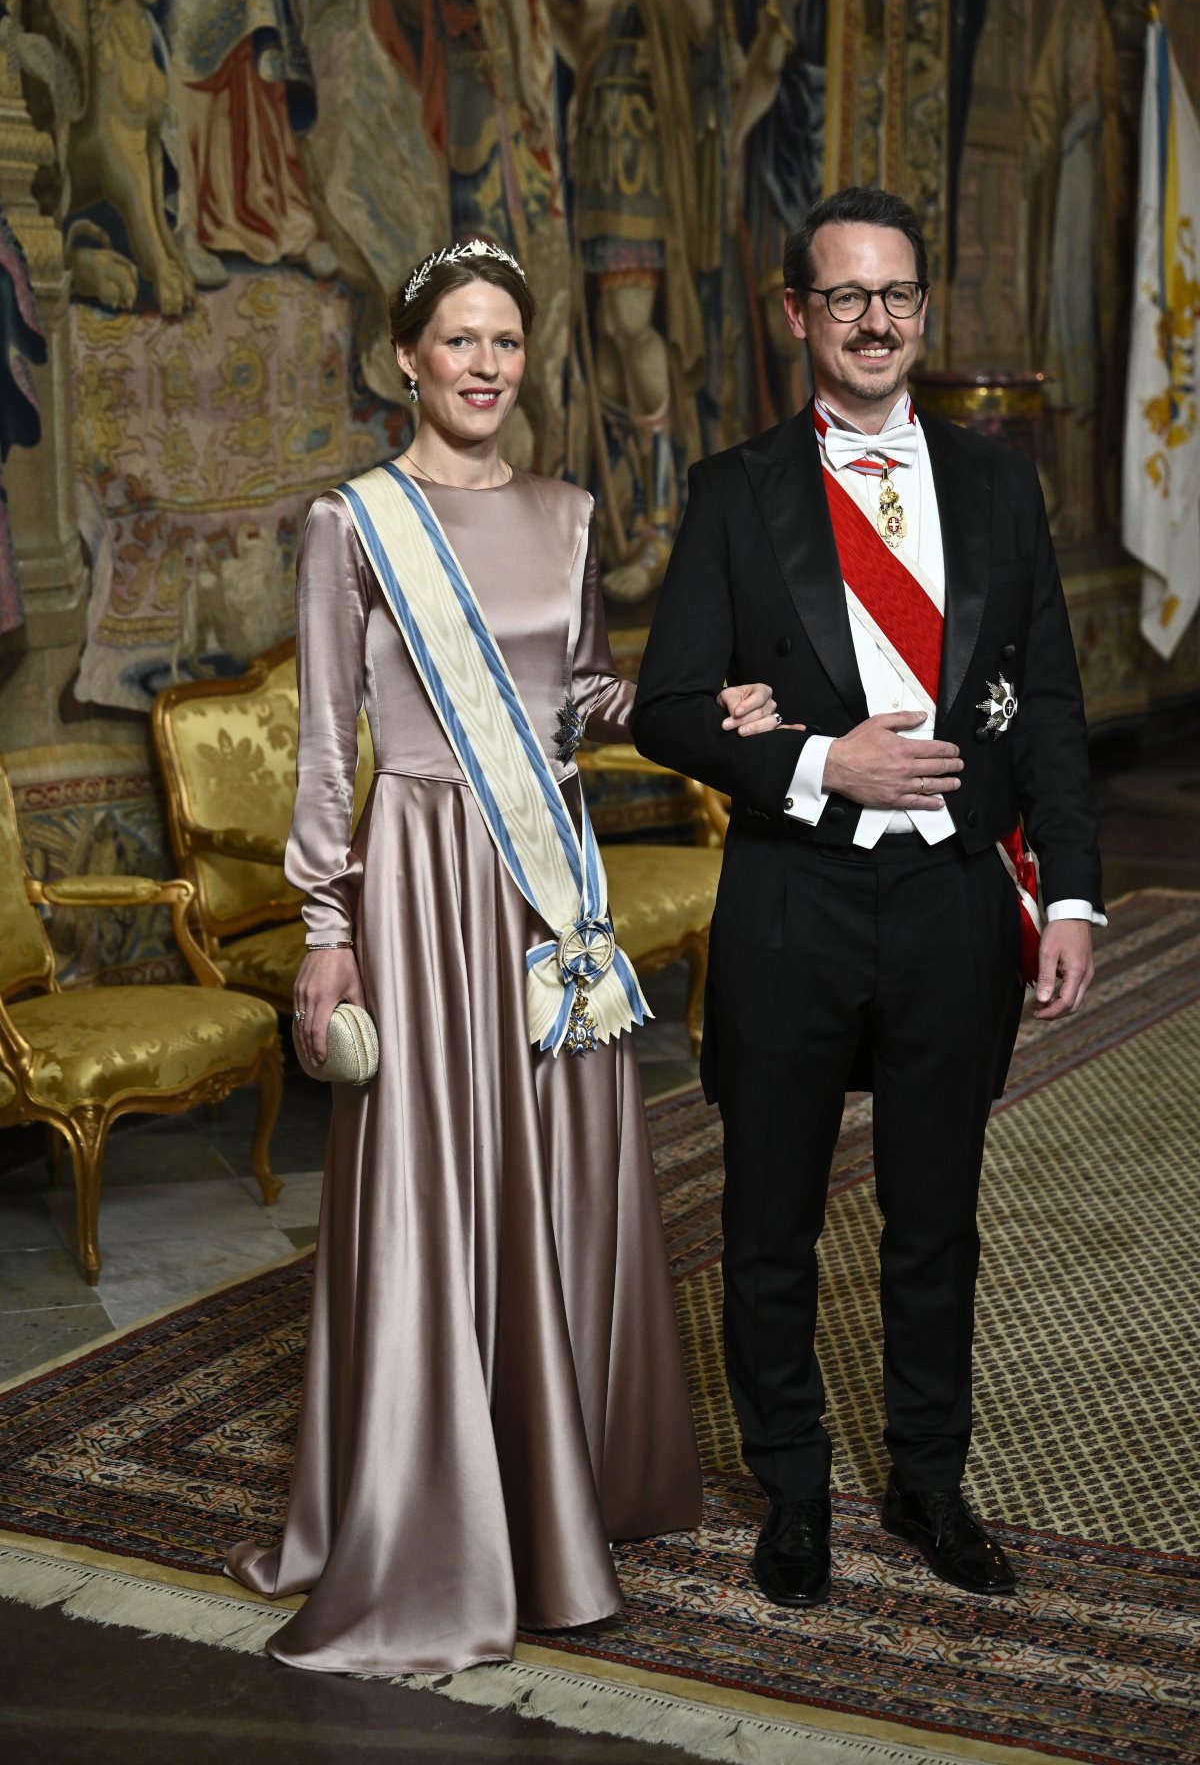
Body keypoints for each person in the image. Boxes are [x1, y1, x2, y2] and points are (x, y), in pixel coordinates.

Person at [226, 238, 780, 1674]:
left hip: (544, 896)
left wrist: (695, 702)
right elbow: (328, 747)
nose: (485, 365)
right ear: (406, 358)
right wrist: (326, 931)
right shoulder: (353, 522)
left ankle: (556, 1493)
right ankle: (431, 1524)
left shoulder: (569, 512)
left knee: (553, 1172)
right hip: (413, 888)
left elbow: (579, 689)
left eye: (507, 343)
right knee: (432, 1181)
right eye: (459, 341)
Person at [631, 186, 1104, 1609]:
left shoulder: (1000, 484)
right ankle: (792, 1488)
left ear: (922, 308)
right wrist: (813, 755)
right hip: (794, 898)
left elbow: (1060, 706)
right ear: (798, 315)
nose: (877, 320)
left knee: (934, 1217)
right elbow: (664, 707)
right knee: (771, 1219)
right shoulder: (734, 492)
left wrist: (1071, 895)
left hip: (959, 901)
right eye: (845, 296)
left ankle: (928, 1481)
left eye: (897, 294)